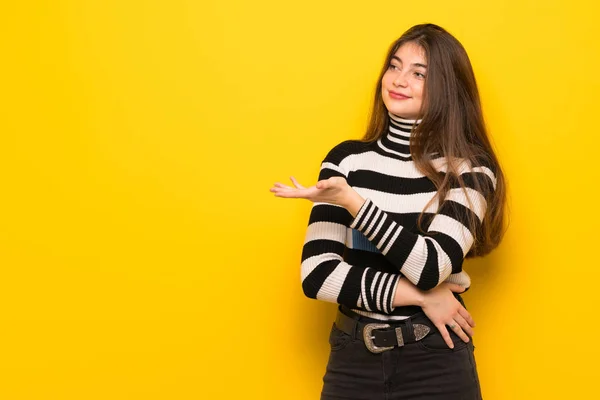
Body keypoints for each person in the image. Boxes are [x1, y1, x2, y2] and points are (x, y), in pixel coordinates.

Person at [270, 23, 506, 400]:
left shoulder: (470, 170)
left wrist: (353, 203)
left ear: (447, 86)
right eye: (394, 66)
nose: (398, 80)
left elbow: (431, 267)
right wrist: (423, 297)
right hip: (353, 358)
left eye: (418, 73)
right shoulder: (345, 161)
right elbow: (317, 275)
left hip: (435, 360)